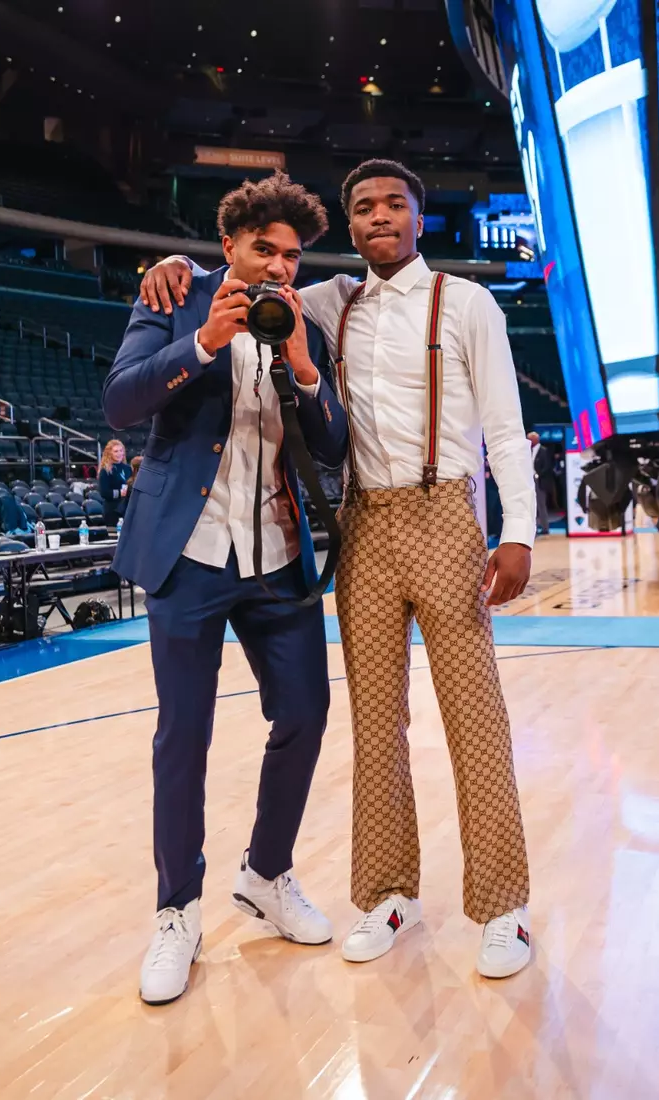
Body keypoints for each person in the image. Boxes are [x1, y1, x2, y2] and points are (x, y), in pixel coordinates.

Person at [140, 158, 537, 979]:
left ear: (419, 219)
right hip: (363, 524)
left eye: (395, 204)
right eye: (364, 208)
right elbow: (246, 276)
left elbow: (504, 427)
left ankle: (505, 910)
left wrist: (519, 532)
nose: (379, 217)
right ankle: (388, 894)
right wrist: (173, 269)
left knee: (475, 716)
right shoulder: (324, 303)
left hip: (444, 513)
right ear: (350, 228)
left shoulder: (467, 303)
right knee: (374, 725)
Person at [105, 172, 349, 1006]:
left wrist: (309, 376)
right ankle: (176, 911)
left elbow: (337, 443)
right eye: (264, 250)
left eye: (291, 255)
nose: (280, 267)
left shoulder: (305, 317)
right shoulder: (174, 295)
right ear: (229, 246)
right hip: (189, 552)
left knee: (307, 714)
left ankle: (267, 872)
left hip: (278, 555)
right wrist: (201, 343)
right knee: (185, 735)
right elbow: (119, 402)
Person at [97, 439, 133, 522]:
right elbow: (104, 492)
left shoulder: (127, 468)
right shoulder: (105, 470)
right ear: (109, 454)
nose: (119, 453)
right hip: (112, 510)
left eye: (121, 450)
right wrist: (120, 493)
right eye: (116, 451)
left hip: (126, 509)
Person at [530, 431, 555, 535]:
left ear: (536, 439)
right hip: (529, 480)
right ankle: (533, 528)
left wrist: (538, 474)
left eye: (530, 439)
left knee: (541, 505)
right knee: (531, 505)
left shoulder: (544, 451)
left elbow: (548, 466)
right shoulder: (527, 451)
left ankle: (545, 528)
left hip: (539, 480)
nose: (528, 441)